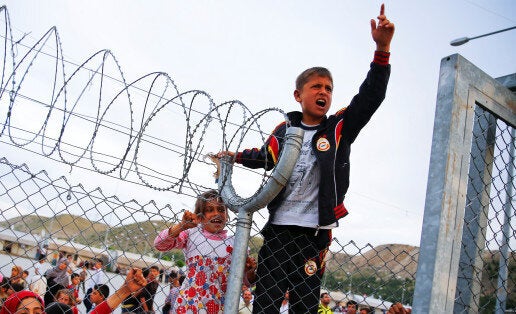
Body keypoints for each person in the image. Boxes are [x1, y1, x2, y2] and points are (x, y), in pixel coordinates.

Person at [214, 5, 394, 313]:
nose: (324, 92)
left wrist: (382, 49)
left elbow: (370, 98)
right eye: (316, 87)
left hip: (314, 235)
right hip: (279, 230)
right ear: (299, 95)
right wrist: (237, 157)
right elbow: (266, 157)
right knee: (266, 303)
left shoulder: (339, 128)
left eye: (328, 88)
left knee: (304, 306)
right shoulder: (285, 131)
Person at [153, 190, 257, 313]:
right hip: (189, 305)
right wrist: (181, 226)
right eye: (209, 210)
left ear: (227, 214)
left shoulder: (237, 244)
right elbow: (159, 244)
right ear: (200, 216)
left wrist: (249, 271)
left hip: (221, 307)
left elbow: (246, 282)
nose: (216, 214)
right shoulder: (192, 234)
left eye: (221, 209)